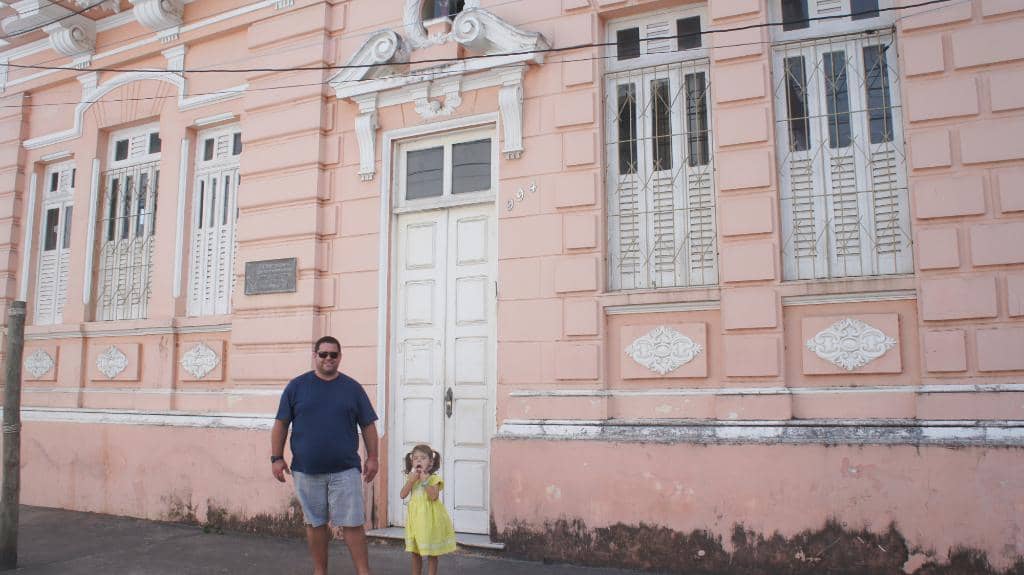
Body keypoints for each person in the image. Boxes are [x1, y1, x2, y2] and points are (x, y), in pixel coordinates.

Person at [271, 335, 379, 575]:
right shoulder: (297, 386)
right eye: (323, 354)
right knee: (315, 523)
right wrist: (276, 458)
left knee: (352, 523)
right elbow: (281, 423)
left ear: (340, 357)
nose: (328, 359)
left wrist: (373, 458)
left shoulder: (352, 388)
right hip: (306, 470)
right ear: (315, 356)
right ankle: (320, 571)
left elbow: (369, 425)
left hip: (346, 469)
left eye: (333, 354)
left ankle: (364, 572)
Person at [400, 444, 456, 575]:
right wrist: (411, 481)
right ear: (412, 462)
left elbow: (433, 496)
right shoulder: (411, 479)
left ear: (430, 463)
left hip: (430, 521)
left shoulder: (434, 479)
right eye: (415, 458)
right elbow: (402, 494)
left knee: (432, 552)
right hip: (415, 521)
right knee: (415, 552)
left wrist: (425, 482)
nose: (419, 460)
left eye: (423, 458)